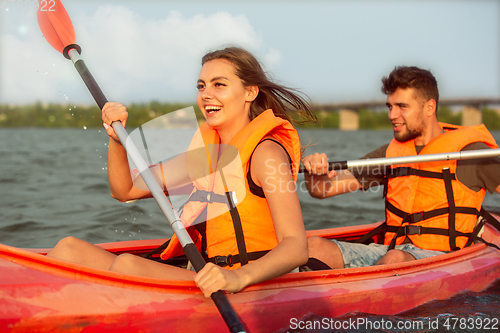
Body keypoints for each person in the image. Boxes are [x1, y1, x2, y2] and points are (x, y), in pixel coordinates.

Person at [47, 46, 317, 297]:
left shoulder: (265, 154)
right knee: (69, 249)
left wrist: (238, 278)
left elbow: (296, 247)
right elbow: (124, 190)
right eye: (201, 86)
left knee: (128, 267)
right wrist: (117, 140)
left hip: (251, 284)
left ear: (250, 92)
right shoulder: (208, 154)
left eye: (219, 85)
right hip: (205, 276)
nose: (206, 94)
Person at [302, 66, 500, 270]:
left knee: (395, 259)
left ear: (429, 107)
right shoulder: (390, 154)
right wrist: (314, 174)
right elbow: (322, 190)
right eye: (390, 106)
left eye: (402, 106)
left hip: (443, 258)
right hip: (390, 251)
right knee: (312, 247)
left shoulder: (473, 154)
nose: (392, 115)